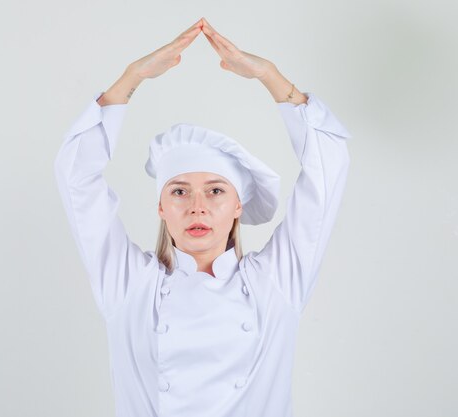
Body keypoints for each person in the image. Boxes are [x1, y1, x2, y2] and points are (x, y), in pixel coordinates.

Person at [54, 17, 351, 417]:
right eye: (179, 191)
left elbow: (328, 171)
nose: (197, 206)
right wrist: (130, 78)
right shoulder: (129, 285)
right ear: (161, 206)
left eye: (215, 191)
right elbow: (76, 177)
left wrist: (270, 76)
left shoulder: (277, 281)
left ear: (237, 207)